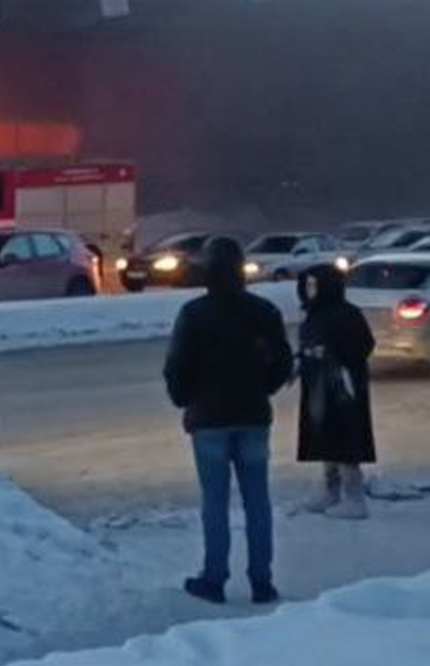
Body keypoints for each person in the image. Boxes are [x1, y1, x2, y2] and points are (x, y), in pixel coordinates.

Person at [163, 236, 294, 605]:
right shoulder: (264, 311)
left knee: (215, 502)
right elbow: (283, 362)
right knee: (258, 501)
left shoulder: (194, 313)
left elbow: (177, 367)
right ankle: (261, 580)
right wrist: (262, 388)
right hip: (252, 414)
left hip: (209, 418)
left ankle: (215, 577)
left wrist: (186, 400)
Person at [295, 264, 376, 519]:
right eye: (307, 285)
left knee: (345, 439)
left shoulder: (347, 314)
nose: (309, 290)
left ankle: (354, 496)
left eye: (314, 285)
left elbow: (363, 345)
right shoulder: (314, 314)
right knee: (325, 438)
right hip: (318, 385)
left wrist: (332, 354)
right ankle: (331, 490)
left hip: (343, 387)